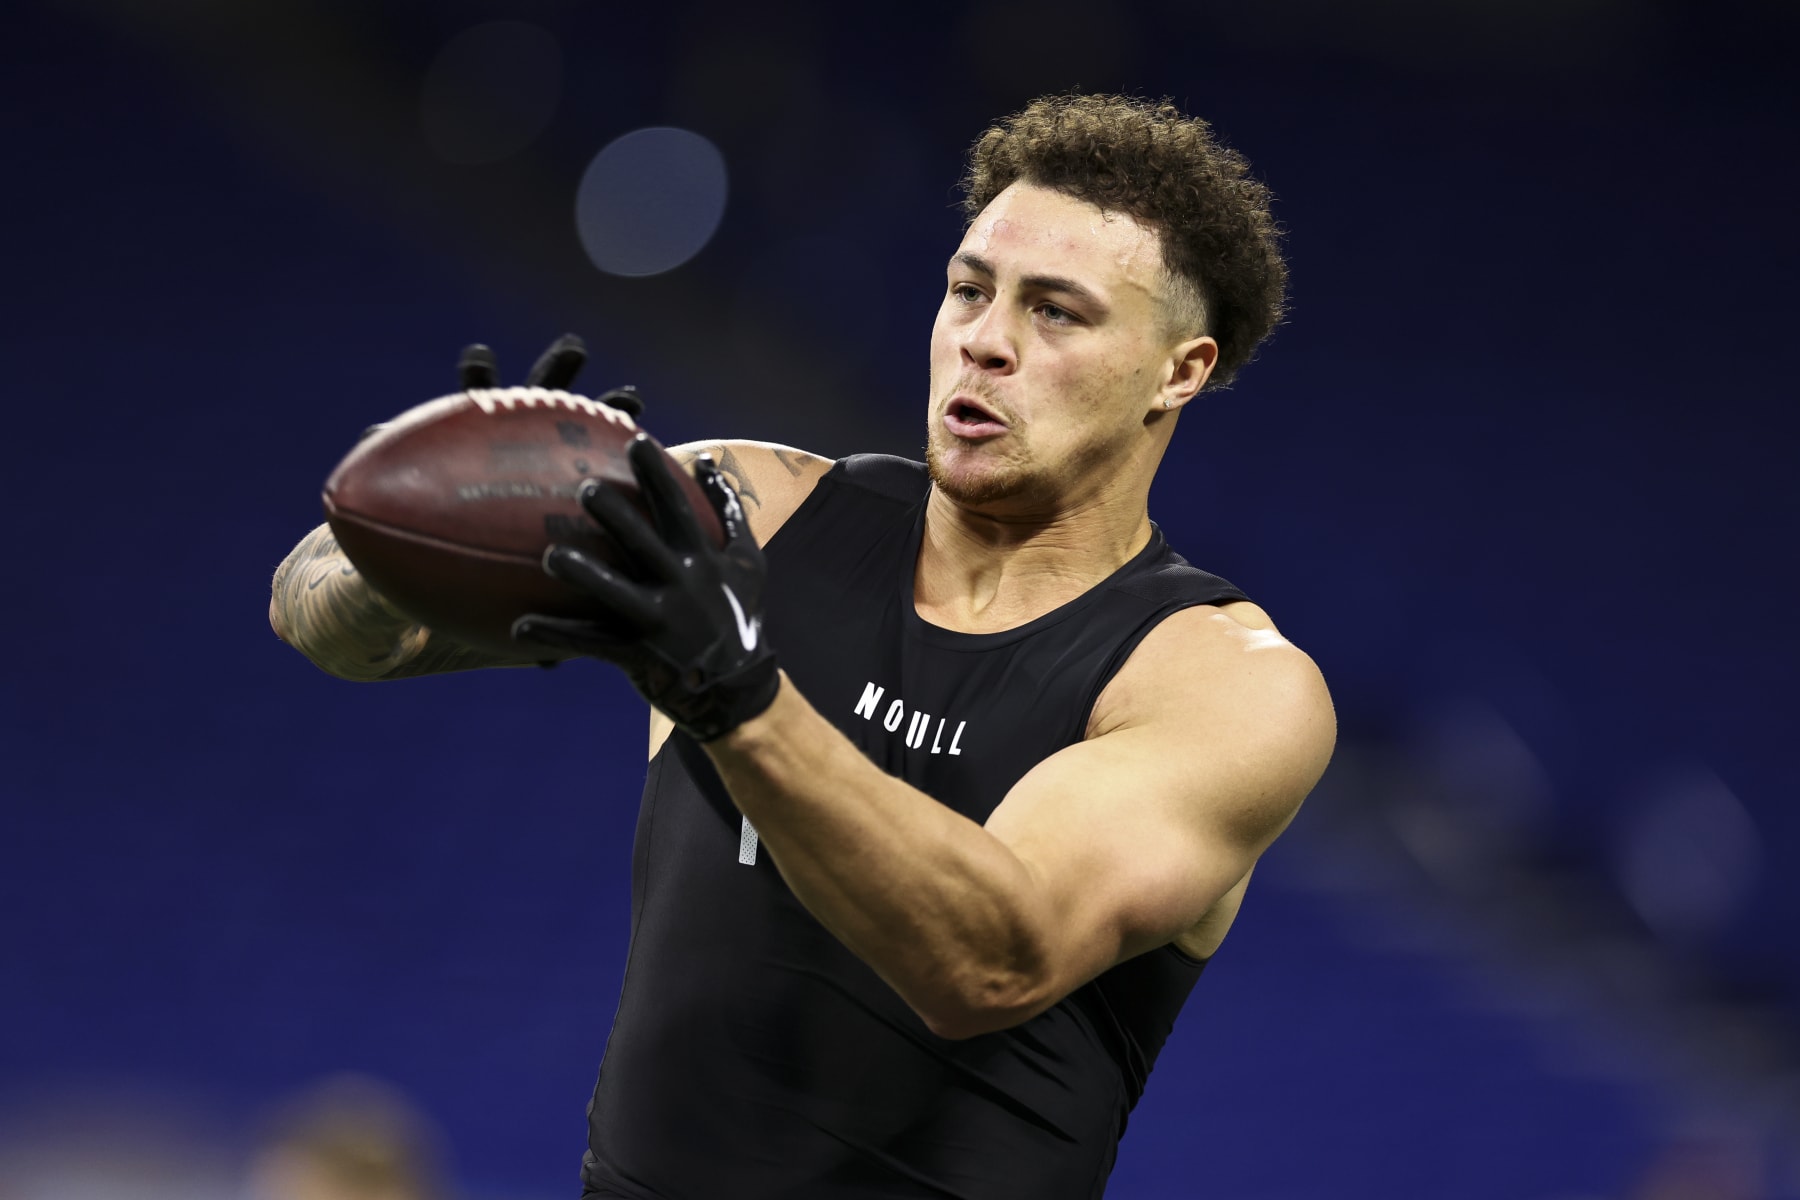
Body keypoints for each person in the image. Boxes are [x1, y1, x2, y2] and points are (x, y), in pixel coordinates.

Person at [270, 93, 1335, 1199]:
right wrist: (439, 531)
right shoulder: (757, 514)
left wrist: (732, 689)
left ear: (1179, 370)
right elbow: (325, 626)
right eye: (969, 289)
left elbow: (989, 959)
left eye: (1057, 313)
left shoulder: (1217, 685)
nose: (985, 339)